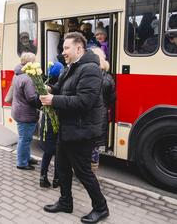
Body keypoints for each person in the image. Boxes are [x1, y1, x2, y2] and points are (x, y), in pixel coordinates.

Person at [40, 32, 109, 224]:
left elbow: (84, 101)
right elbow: (61, 88)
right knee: (62, 168)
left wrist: (54, 100)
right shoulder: (71, 67)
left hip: (82, 131)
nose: (63, 52)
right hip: (68, 128)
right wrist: (50, 90)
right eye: (63, 48)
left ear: (79, 48)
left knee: (83, 172)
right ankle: (65, 201)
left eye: (66, 48)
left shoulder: (90, 69)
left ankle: (101, 208)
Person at [11, 52, 40, 170]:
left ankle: (27, 157)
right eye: (34, 61)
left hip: (19, 111)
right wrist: (42, 102)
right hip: (26, 113)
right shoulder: (28, 78)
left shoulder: (18, 74)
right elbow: (32, 98)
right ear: (30, 63)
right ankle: (22, 163)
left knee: (26, 138)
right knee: (25, 139)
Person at [90, 47, 115, 171]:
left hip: (89, 116)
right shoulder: (109, 79)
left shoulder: (89, 77)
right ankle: (92, 171)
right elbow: (112, 99)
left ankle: (83, 171)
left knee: (85, 145)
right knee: (95, 147)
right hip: (102, 115)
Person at [39, 61, 64, 188]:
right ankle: (56, 179)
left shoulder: (44, 86)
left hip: (46, 122)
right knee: (59, 154)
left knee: (47, 153)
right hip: (57, 122)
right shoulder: (62, 87)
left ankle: (43, 177)